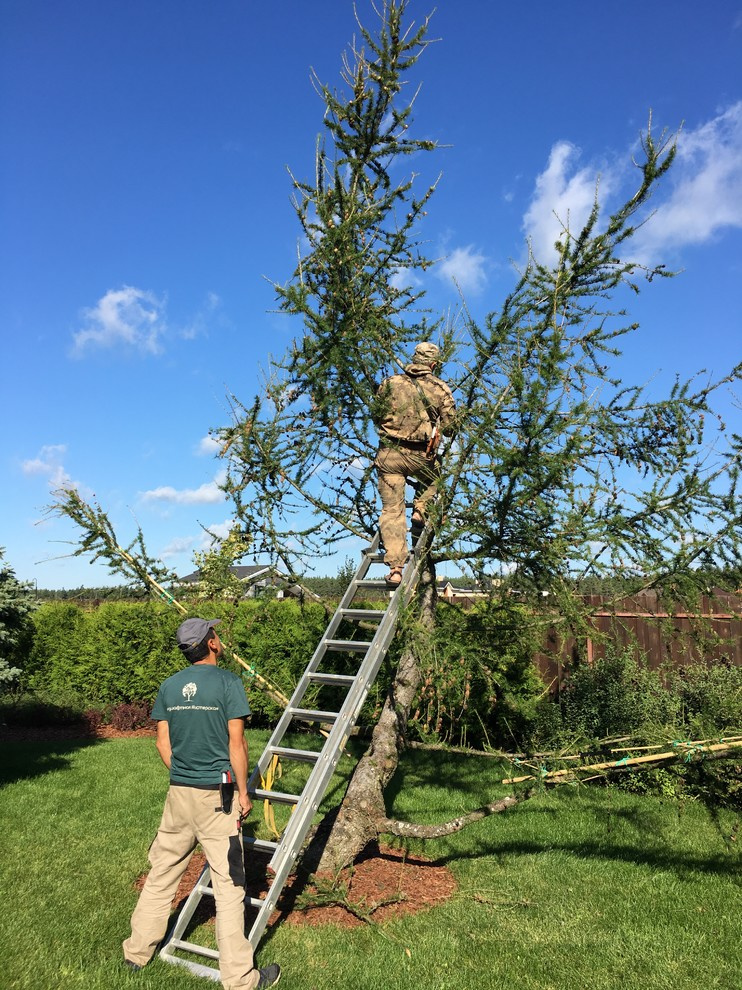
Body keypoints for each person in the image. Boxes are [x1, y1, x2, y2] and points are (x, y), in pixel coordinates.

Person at [123, 617, 281, 990]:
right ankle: (242, 980)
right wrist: (243, 793)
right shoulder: (228, 682)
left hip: (178, 794)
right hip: (217, 798)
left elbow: (163, 743)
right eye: (216, 634)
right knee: (228, 885)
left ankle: (135, 954)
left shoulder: (170, 686)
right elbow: (237, 744)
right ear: (211, 644)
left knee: (162, 874)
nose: (220, 638)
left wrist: (184, 775)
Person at [374, 341, 456, 585]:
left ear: (414, 359)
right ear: (433, 364)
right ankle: (421, 509)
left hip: (389, 455)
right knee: (436, 479)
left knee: (391, 511)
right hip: (422, 456)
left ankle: (396, 569)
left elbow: (376, 414)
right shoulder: (440, 388)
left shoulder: (389, 383)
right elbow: (451, 427)